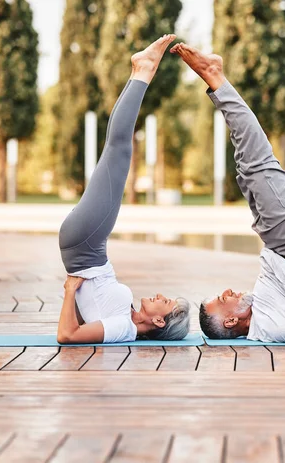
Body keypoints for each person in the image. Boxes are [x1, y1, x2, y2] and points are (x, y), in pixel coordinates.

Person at [170, 43, 285, 344]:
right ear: (232, 320)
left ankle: (215, 78)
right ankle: (214, 77)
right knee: (256, 162)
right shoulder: (271, 324)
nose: (227, 292)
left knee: (246, 168)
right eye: (222, 300)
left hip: (282, 240)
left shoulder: (260, 310)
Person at [57, 35, 190, 344]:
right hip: (86, 248)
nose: (160, 294)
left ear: (158, 320)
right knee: (115, 150)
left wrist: (70, 290)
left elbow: (67, 335)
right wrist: (75, 293)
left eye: (166, 301)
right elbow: (81, 320)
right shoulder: (125, 318)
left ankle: (142, 72)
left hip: (86, 248)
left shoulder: (123, 329)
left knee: (118, 151)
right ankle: (138, 73)